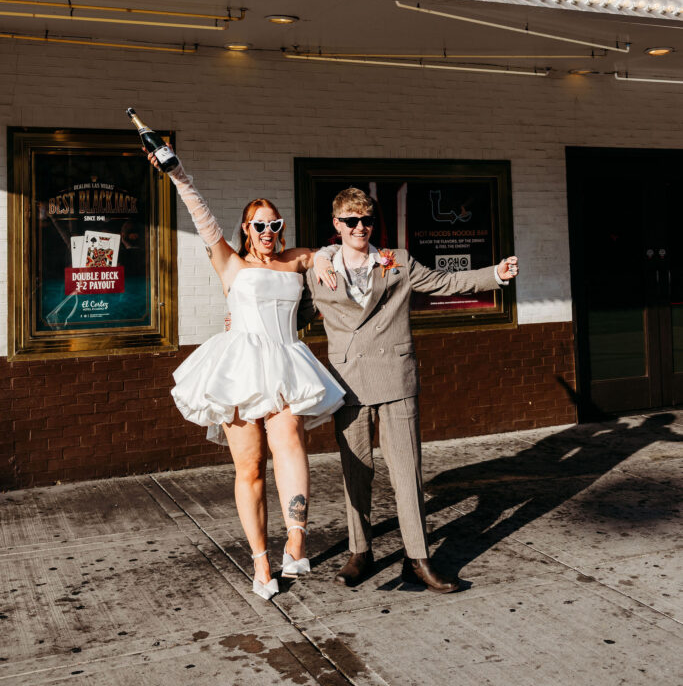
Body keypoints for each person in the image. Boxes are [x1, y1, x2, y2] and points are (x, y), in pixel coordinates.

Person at [145, 150, 345, 601]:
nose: (269, 232)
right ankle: (259, 561)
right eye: (260, 225)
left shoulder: (295, 260)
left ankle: (296, 538)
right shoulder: (231, 263)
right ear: (246, 229)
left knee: (290, 437)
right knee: (250, 467)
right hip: (239, 367)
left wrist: (327, 257)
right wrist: (177, 173)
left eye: (275, 225)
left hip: (287, 362)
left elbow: (325, 253)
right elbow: (200, 213)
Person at [306, 186, 519, 594]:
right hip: (348, 383)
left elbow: (444, 282)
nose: (359, 228)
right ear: (336, 225)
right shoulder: (319, 268)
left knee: (408, 474)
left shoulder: (396, 262)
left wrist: (494, 274)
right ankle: (360, 552)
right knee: (357, 471)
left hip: (396, 376)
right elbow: (291, 310)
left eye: (366, 220)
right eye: (350, 221)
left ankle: (418, 559)